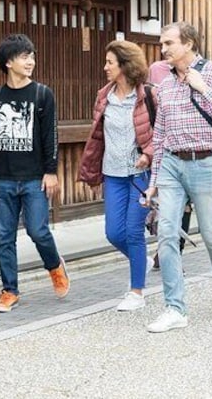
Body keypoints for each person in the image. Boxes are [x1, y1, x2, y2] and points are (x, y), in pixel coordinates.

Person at [142, 22, 212, 333]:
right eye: (162, 44)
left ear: (189, 43)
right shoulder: (166, 85)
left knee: (211, 231)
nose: (163, 49)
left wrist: (202, 88)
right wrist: (154, 178)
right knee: (167, 233)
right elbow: (160, 134)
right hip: (172, 162)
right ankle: (175, 308)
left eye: (169, 43)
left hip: (207, 162)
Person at [0, 34, 70, 313]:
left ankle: (54, 266)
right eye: (24, 56)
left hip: (34, 178)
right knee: (3, 236)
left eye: (32, 56)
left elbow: (50, 135)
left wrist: (51, 171)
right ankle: (9, 290)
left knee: (38, 230)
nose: (30, 61)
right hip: (4, 178)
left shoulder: (42, 94)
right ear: (8, 62)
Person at [79, 40, 154, 311]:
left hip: (140, 174)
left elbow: (161, 131)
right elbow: (97, 136)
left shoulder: (146, 95)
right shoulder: (104, 96)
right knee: (113, 233)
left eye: (110, 62)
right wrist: (90, 167)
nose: (105, 67)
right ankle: (141, 260)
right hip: (112, 174)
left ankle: (136, 292)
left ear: (125, 65)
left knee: (133, 231)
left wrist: (148, 153)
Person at [148, 59, 193, 270]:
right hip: (159, 142)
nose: (166, 49)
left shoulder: (197, 72)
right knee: (162, 205)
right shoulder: (156, 70)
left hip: (186, 147)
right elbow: (148, 103)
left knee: (183, 206)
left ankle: (174, 255)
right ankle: (165, 250)